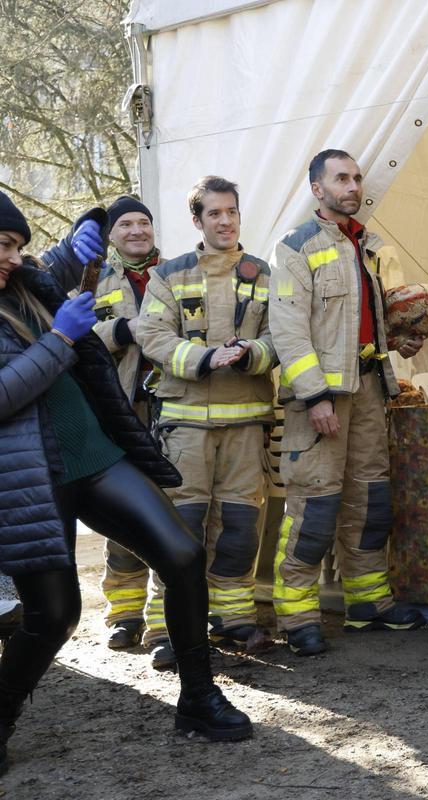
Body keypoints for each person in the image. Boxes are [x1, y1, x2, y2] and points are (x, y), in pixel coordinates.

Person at [0, 191, 252, 772]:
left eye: (18, 245)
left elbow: (57, 265)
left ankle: (198, 699)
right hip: (30, 478)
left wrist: (89, 228)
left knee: (183, 555)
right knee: (54, 616)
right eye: (4, 246)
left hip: (94, 455)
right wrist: (60, 339)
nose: (14, 257)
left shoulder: (22, 281)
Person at [269, 150, 425, 656]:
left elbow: (369, 318)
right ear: (317, 189)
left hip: (369, 391)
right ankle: (296, 617)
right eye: (341, 178)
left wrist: (400, 338)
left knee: (370, 501)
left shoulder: (371, 246)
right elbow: (289, 332)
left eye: (356, 178)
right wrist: (314, 395)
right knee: (315, 506)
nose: (353, 186)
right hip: (323, 400)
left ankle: (368, 601)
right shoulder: (294, 248)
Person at [135, 177, 276, 668]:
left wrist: (252, 353)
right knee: (181, 528)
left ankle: (234, 618)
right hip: (186, 427)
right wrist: (203, 357)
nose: (225, 221)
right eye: (214, 213)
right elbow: (149, 333)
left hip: (246, 424)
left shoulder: (265, 275)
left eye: (231, 212)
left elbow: (285, 335)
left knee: (240, 527)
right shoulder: (169, 274)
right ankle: (165, 627)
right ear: (197, 221)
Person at [41, 196, 162, 651]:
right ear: (110, 235)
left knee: (167, 508)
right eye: (125, 224)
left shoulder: (174, 272)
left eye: (144, 223)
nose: (136, 231)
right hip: (120, 408)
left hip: (171, 407)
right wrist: (121, 332)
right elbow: (71, 335)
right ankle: (124, 612)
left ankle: (161, 615)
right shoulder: (91, 279)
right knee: (123, 514)